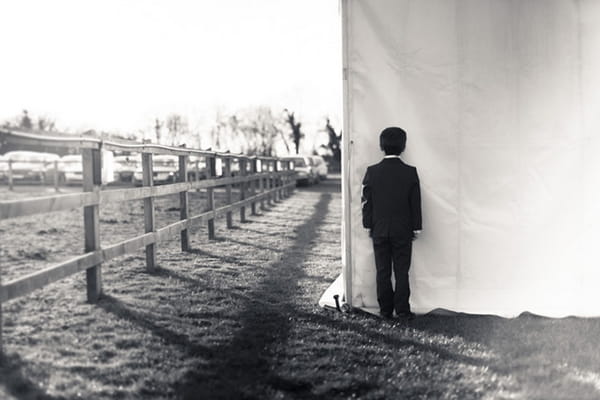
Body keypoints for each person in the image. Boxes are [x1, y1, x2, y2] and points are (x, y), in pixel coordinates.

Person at [361, 127, 422, 320]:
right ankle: (402, 310)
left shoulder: (372, 171)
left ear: (381, 146)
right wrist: (416, 227)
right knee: (402, 271)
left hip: (379, 229)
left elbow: (366, 202)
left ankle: (385, 310)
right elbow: (415, 202)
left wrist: (368, 225)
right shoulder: (410, 172)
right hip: (403, 229)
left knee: (383, 271)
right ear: (403, 146)